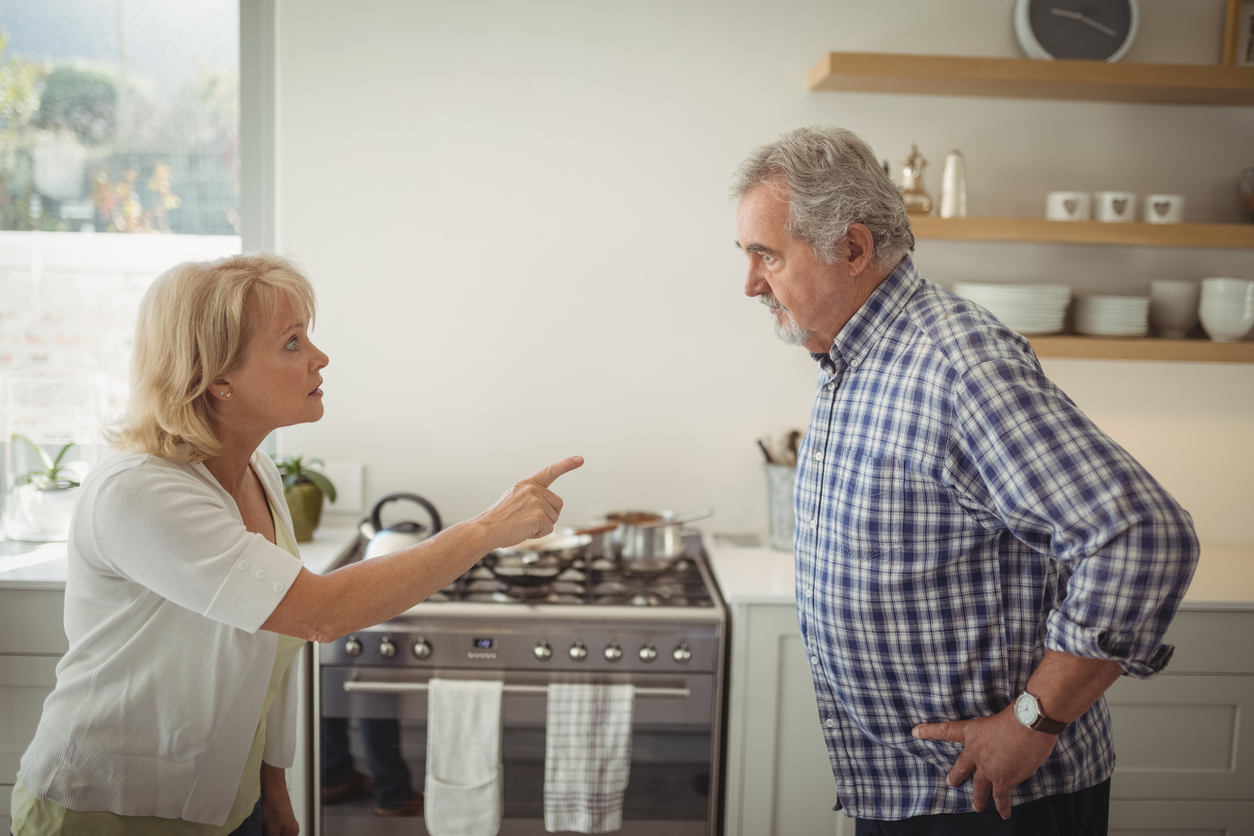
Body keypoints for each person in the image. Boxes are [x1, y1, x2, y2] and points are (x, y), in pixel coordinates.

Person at [9, 253, 582, 836]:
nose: (320, 357)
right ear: (218, 378)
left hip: (227, 803)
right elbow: (320, 613)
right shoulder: (139, 490)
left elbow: (266, 648)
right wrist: (486, 530)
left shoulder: (258, 472)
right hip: (105, 809)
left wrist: (271, 785)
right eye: (291, 342)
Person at [731, 126, 1198, 835]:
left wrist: (1033, 720)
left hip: (992, 798)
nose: (750, 284)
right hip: (910, 791)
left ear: (853, 249)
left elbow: (1141, 537)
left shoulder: (956, 366)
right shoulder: (854, 357)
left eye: (766, 254)